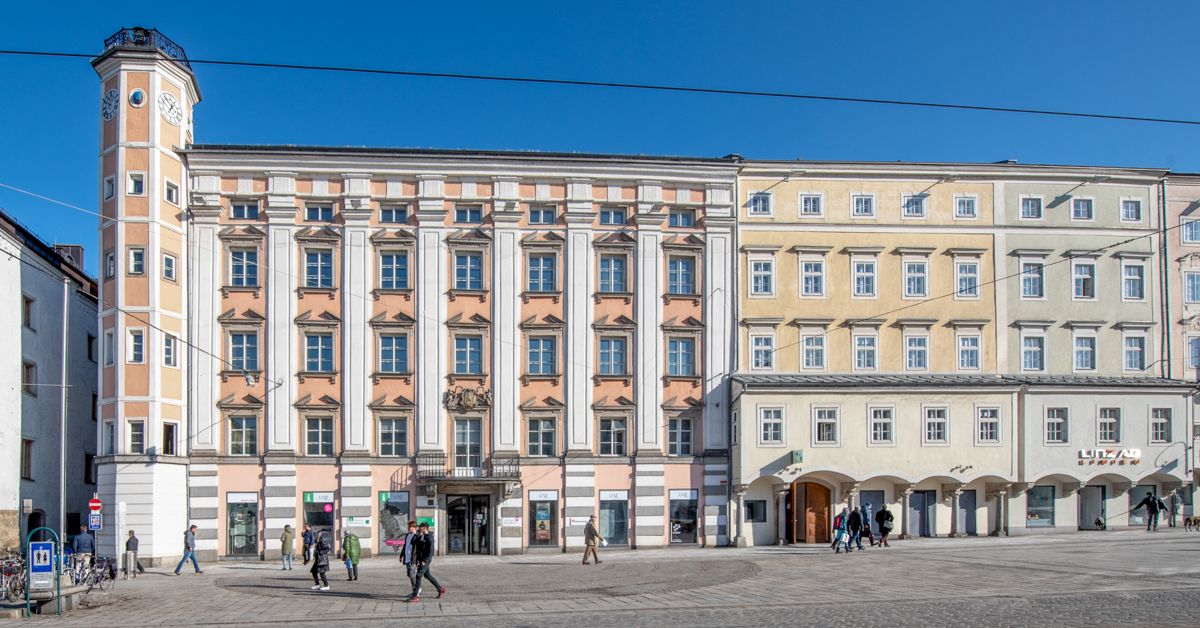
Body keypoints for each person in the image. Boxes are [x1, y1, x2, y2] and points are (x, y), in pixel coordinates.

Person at [406, 522, 446, 602]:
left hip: (425, 560)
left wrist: (425, 561)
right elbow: (413, 543)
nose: (418, 528)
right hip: (421, 559)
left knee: (418, 575)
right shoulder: (421, 536)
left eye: (420, 527)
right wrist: (416, 535)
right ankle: (440, 589)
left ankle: (415, 595)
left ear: (424, 528)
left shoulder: (429, 537)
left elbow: (431, 552)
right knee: (427, 575)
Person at [399, 521, 421, 597]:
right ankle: (415, 589)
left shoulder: (416, 536)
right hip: (407, 558)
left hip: (413, 558)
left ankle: (416, 590)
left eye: (410, 527)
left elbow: (418, 548)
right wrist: (401, 555)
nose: (408, 528)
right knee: (409, 574)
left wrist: (418, 558)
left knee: (412, 574)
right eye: (408, 527)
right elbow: (405, 546)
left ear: (414, 528)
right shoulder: (408, 535)